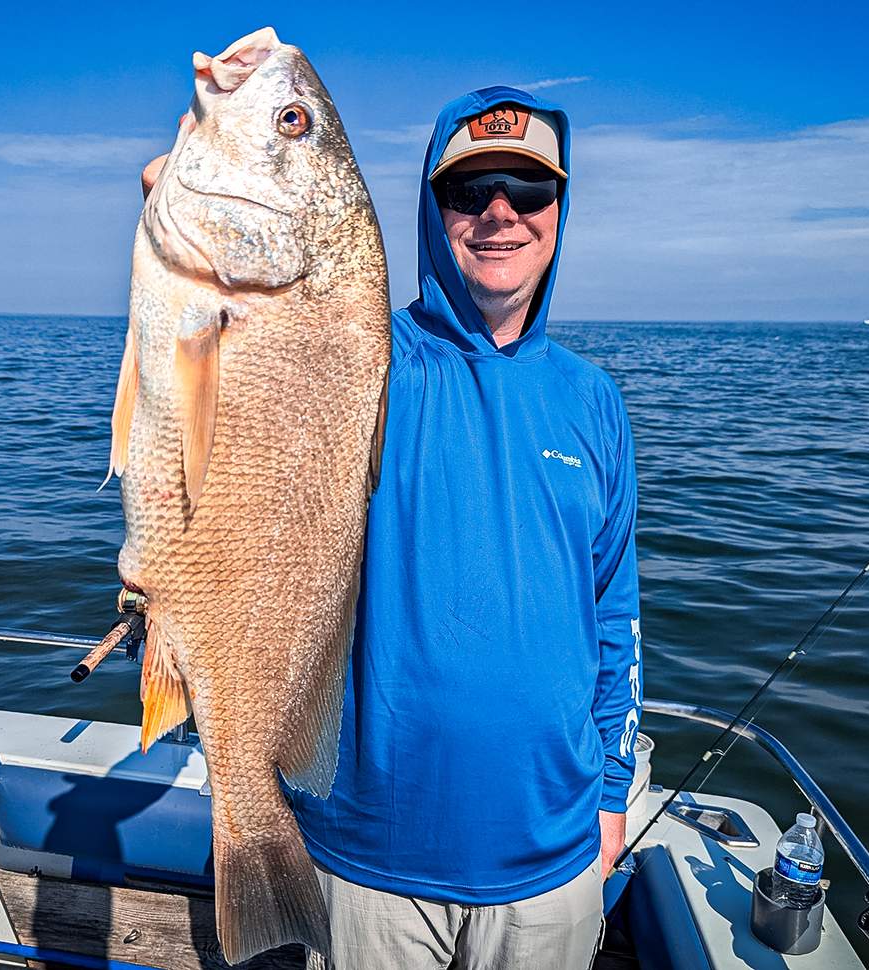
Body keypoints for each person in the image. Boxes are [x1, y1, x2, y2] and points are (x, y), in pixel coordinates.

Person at [144, 86, 643, 970]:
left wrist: (611, 793)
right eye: (470, 191)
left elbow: (614, 613)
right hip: (370, 862)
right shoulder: (367, 354)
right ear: (429, 205)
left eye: (528, 193)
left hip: (557, 859)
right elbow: (248, 402)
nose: (500, 215)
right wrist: (196, 235)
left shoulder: (593, 402)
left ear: (560, 211)